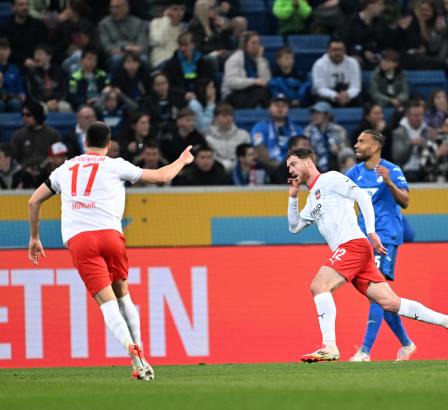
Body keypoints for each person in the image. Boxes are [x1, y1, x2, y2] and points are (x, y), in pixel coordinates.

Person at [26, 121, 195, 380]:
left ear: (84, 142)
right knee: (123, 296)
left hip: (80, 241)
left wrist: (35, 237)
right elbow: (162, 176)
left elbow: (33, 201)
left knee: (107, 305)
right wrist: (182, 160)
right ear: (109, 143)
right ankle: (142, 356)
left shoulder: (65, 168)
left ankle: (133, 353)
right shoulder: (116, 165)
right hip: (111, 236)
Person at [286, 148, 448, 362]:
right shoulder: (312, 200)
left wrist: (371, 231)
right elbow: (294, 227)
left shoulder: (331, 179)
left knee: (319, 285)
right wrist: (293, 197)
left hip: (353, 245)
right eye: (288, 166)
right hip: (354, 252)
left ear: (308, 162)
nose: (291, 169)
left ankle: (329, 346)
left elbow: (361, 195)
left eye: (294, 164)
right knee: (391, 303)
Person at [346, 129, 417, 362]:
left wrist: (388, 182)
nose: (356, 145)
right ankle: (406, 344)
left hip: (385, 237)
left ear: (374, 147)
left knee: (377, 293)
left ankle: (365, 351)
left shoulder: (392, 170)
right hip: (361, 238)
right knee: (381, 295)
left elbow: (405, 201)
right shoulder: (353, 173)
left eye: (361, 141)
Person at [251, 93, 303, 171]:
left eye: (284, 105)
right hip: (270, 169)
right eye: (276, 105)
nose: (280, 108)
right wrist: (278, 167)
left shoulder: (297, 129)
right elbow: (259, 150)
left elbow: (305, 150)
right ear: (269, 108)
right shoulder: (260, 127)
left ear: (288, 109)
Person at [221, 31, 271, 109]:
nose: (256, 46)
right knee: (243, 95)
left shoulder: (262, 61)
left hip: (253, 93)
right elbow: (232, 82)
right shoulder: (234, 59)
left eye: (258, 43)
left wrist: (259, 60)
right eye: (253, 43)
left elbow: (266, 81)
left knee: (263, 92)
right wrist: (253, 81)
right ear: (245, 45)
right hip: (234, 93)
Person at [311, 38, 362, 107]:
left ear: (345, 51)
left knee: (360, 100)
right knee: (321, 102)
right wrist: (335, 95)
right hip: (328, 96)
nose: (338, 53)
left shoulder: (353, 63)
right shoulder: (319, 64)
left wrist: (347, 94)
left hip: (347, 96)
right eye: (334, 50)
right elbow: (320, 88)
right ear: (328, 50)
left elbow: (356, 87)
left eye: (340, 50)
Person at [303, 101, 347, 172]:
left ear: (327, 115)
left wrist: (338, 149)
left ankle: (347, 181)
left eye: (318, 113)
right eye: (313, 113)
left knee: (348, 157)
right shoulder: (308, 130)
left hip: (335, 161)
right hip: (315, 162)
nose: (314, 116)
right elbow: (305, 148)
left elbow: (345, 148)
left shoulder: (338, 130)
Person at [205, 102, 250, 173]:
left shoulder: (244, 135)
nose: (228, 119)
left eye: (230, 116)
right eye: (224, 116)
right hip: (216, 171)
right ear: (216, 118)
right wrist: (223, 165)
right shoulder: (208, 138)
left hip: (240, 169)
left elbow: (247, 155)